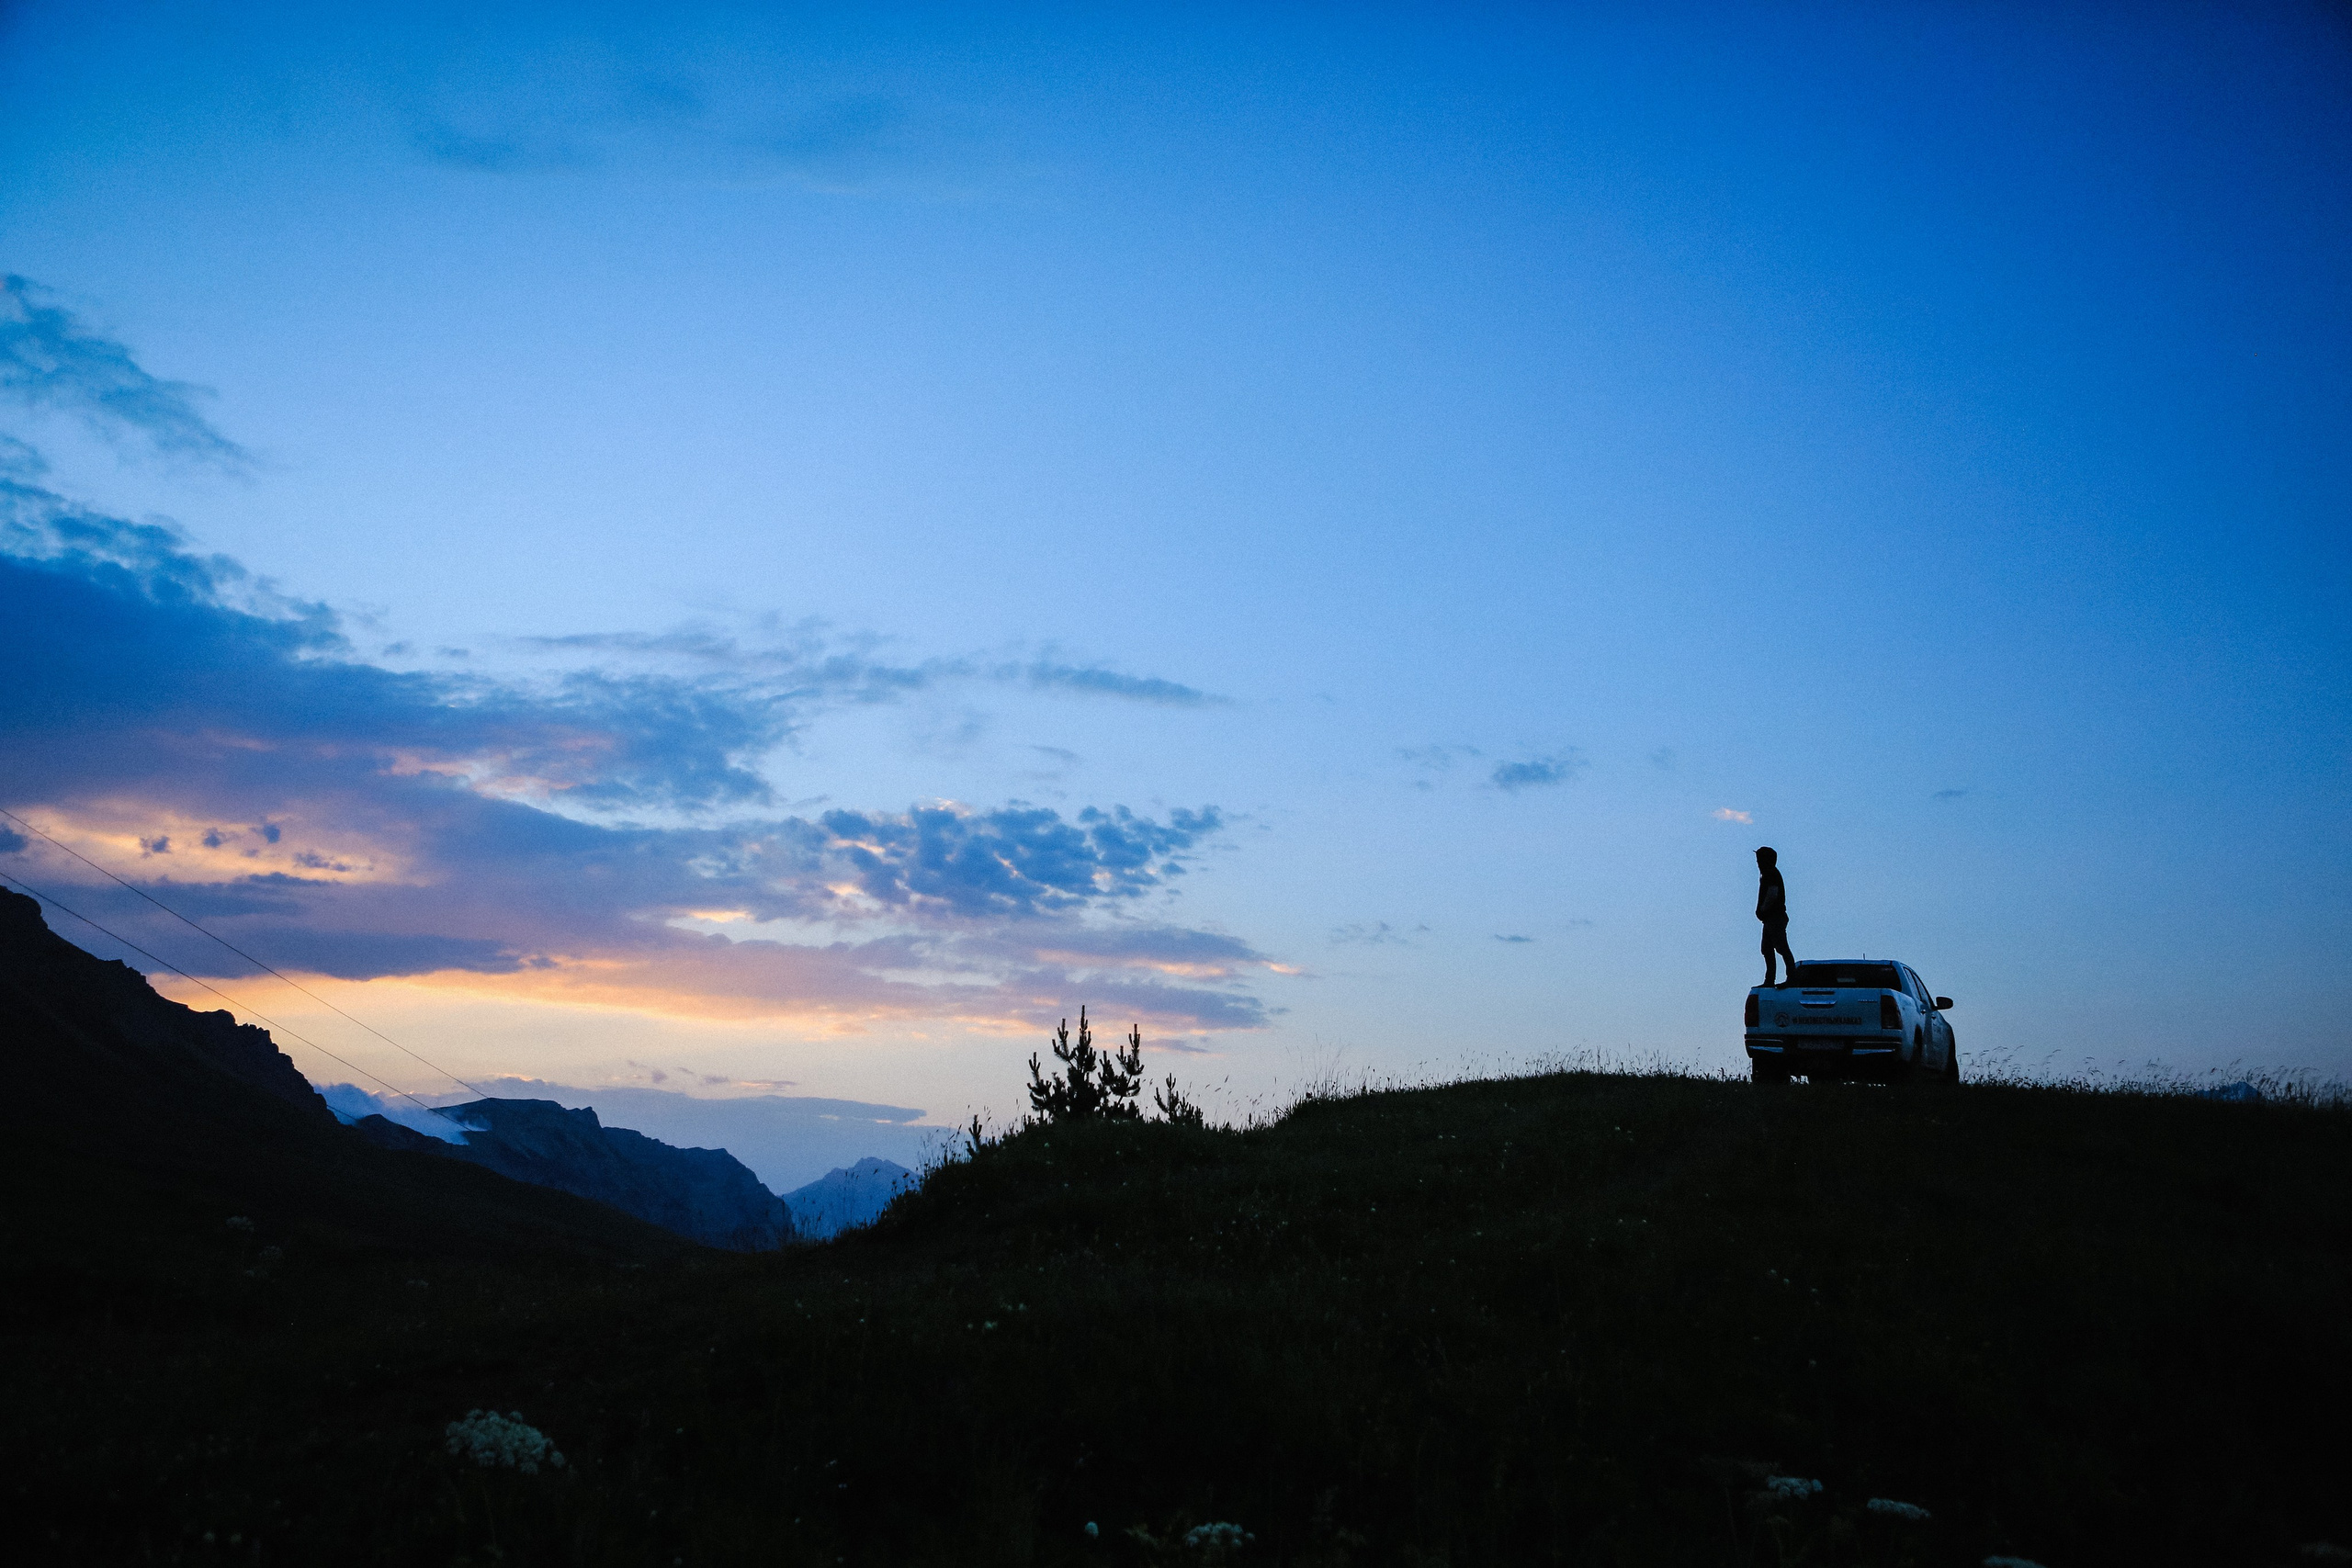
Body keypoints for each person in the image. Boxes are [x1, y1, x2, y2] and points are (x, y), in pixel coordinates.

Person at [1756, 846, 1795, 987]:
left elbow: (1772, 893)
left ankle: (1792, 977)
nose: (1758, 863)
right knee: (1767, 948)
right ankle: (1770, 980)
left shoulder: (1771, 874)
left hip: (1775, 917)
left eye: (1760, 860)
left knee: (1781, 947)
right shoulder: (1769, 873)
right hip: (1770, 918)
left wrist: (1763, 909)